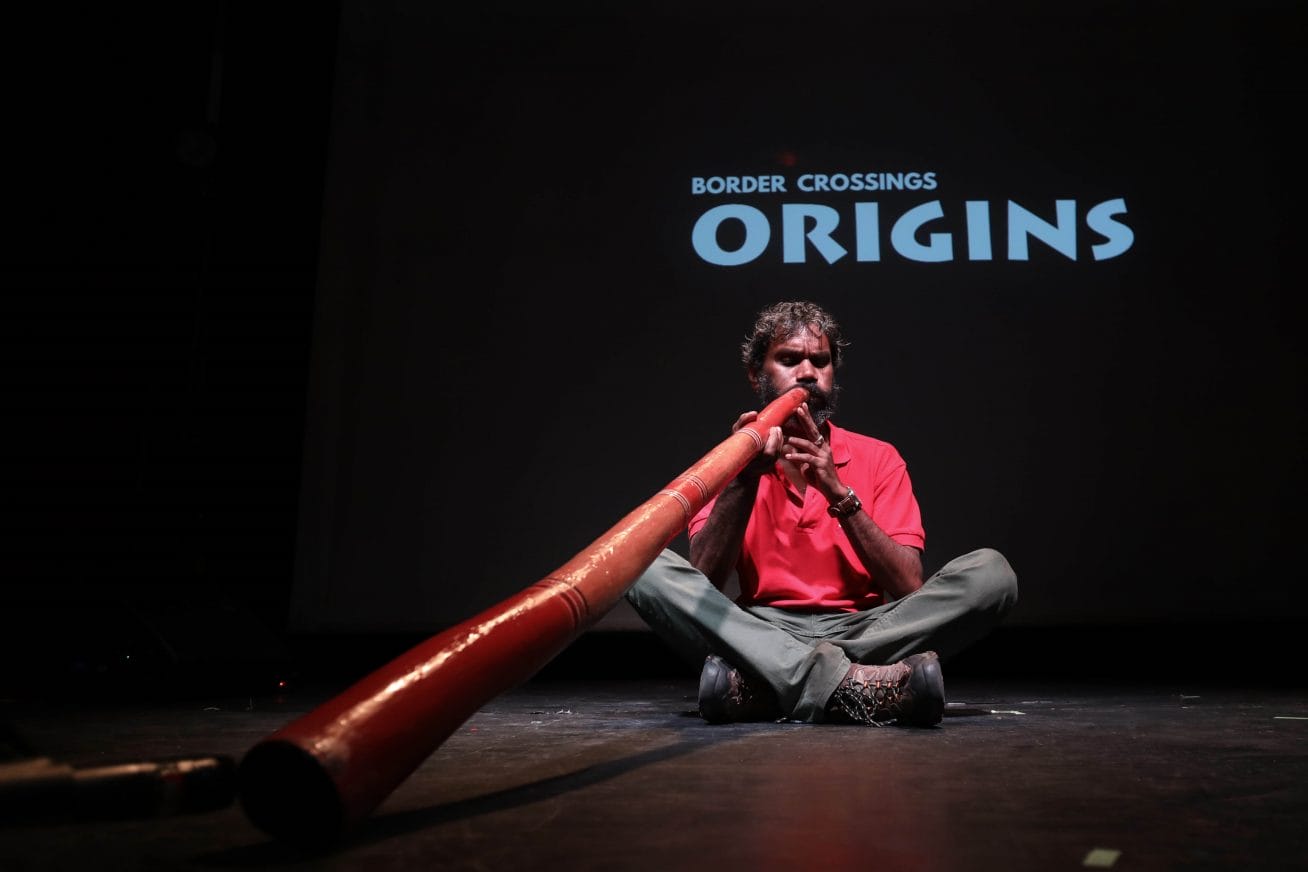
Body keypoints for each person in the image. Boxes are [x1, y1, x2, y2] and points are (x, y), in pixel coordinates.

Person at [625, 300, 1018, 727]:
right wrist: (743, 478)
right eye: (789, 360)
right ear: (756, 374)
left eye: (820, 361)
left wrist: (838, 492)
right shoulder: (727, 461)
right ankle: (857, 685)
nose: (808, 373)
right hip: (762, 628)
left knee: (991, 575)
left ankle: (764, 686)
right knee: (638, 563)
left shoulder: (880, 457)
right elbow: (705, 581)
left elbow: (907, 585)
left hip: (865, 629)